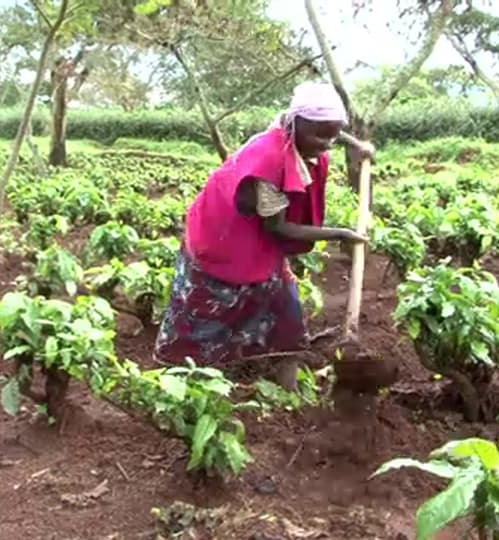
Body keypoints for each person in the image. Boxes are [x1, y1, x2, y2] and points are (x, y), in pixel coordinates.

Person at [153, 82, 370, 387]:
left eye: (334, 134)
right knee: (204, 322)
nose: (328, 143)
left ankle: (289, 388)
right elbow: (277, 226)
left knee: (287, 311)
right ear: (295, 124)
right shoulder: (266, 162)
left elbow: (330, 129)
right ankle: (185, 386)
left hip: (260, 244)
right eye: (321, 134)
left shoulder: (302, 135)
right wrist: (340, 234)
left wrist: (357, 145)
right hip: (223, 239)